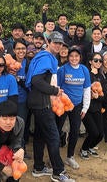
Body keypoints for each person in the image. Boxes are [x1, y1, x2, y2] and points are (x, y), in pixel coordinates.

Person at [26, 31, 75, 182]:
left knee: (40, 135)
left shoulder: (44, 57)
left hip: (38, 101)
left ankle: (38, 168)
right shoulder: (46, 58)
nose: (58, 46)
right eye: (55, 42)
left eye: (61, 43)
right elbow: (36, 80)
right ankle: (58, 172)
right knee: (54, 137)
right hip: (41, 103)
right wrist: (55, 91)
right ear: (49, 42)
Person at [56, 47, 91, 169]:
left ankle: (70, 156)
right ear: (68, 57)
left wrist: (85, 107)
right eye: (71, 56)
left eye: (77, 56)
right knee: (57, 130)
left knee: (75, 131)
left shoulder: (84, 69)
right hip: (63, 105)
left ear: (80, 57)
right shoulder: (63, 69)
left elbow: (87, 89)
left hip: (77, 105)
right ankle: (54, 157)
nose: (74, 58)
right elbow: (57, 87)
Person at [80, 53, 107, 159]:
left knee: (100, 133)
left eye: (100, 61)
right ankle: (84, 148)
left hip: (97, 108)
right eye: (96, 60)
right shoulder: (86, 74)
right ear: (90, 61)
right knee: (94, 132)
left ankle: (90, 146)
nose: (98, 62)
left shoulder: (101, 77)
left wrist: (97, 97)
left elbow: (103, 95)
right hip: (87, 108)